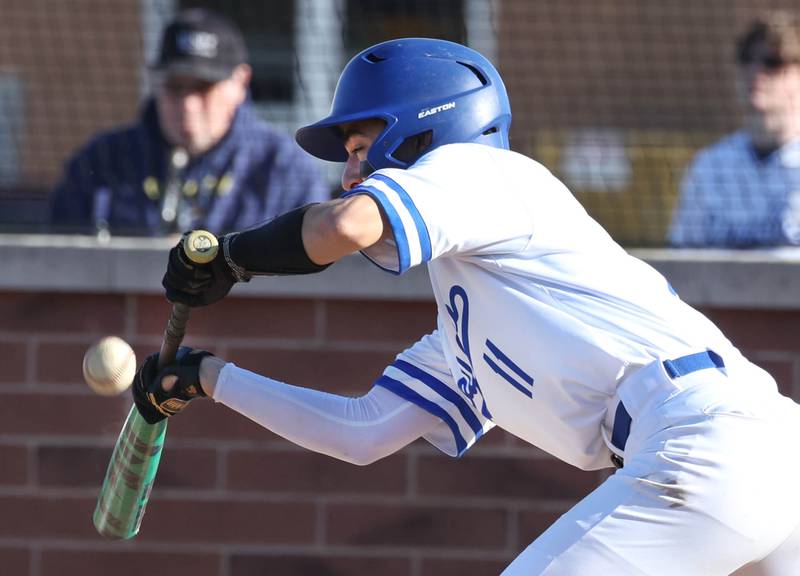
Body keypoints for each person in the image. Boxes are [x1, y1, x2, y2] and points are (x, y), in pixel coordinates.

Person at [133, 38, 800, 575]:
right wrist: (207, 378)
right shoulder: (472, 312)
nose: (348, 172)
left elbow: (340, 227)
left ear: (424, 132)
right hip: (745, 456)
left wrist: (228, 256)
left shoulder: (485, 173)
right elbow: (361, 432)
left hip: (705, 441)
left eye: (362, 148)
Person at [49, 8, 328, 236]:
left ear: (240, 82)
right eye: (175, 87)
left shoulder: (284, 169)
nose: (188, 105)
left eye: (203, 87)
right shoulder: (101, 163)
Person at [669, 10, 800, 247]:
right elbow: (682, 257)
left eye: (772, 62)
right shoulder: (710, 166)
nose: (755, 72)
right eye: (746, 59)